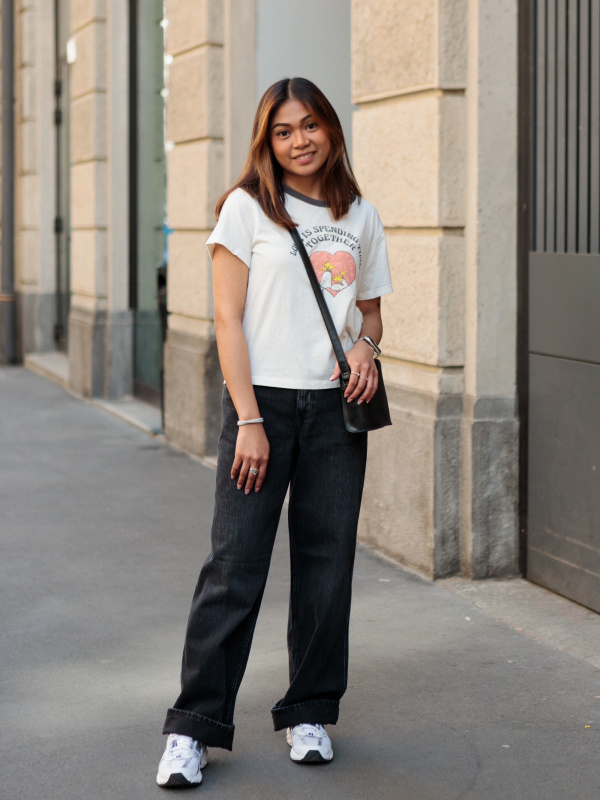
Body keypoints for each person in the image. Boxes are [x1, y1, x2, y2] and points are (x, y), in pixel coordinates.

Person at [156, 77, 393, 788]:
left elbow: (372, 315)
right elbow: (228, 321)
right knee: (233, 569)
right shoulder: (245, 210)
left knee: (327, 566)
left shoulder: (361, 215)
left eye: (311, 125)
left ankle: (309, 712)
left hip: (334, 414)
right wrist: (250, 417)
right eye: (284, 130)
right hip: (262, 410)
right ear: (268, 139)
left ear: (330, 130)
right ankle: (193, 729)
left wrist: (365, 352)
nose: (300, 140)